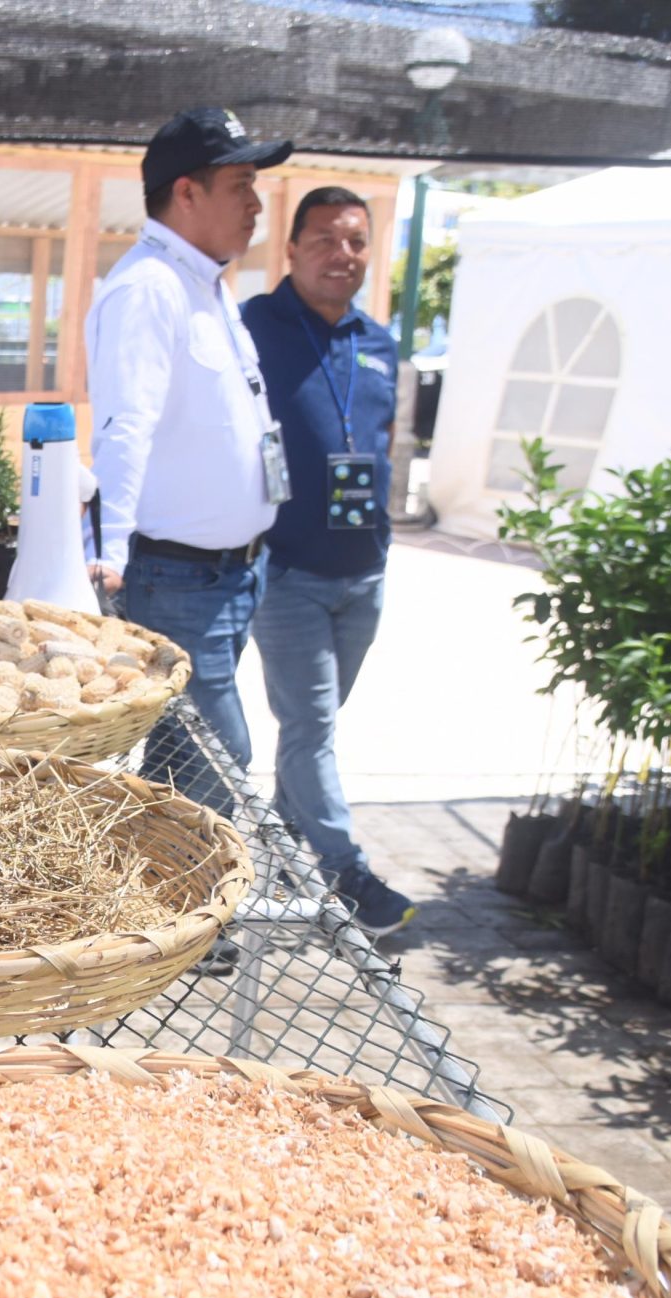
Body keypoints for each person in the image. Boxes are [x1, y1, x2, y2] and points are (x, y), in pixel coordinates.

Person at [83, 107, 293, 814]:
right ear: (187, 193)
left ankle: (167, 907)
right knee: (217, 758)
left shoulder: (204, 282)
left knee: (182, 766)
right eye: (240, 183)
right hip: (176, 577)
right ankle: (191, 914)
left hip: (231, 575)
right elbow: (123, 427)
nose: (256, 204)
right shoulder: (150, 288)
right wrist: (108, 551)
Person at [241, 185, 416, 935]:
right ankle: (348, 873)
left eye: (354, 241)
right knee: (311, 727)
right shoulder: (253, 328)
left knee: (310, 734)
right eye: (323, 240)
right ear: (291, 247)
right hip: (286, 572)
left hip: (364, 570)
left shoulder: (378, 344)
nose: (340, 256)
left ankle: (277, 859)